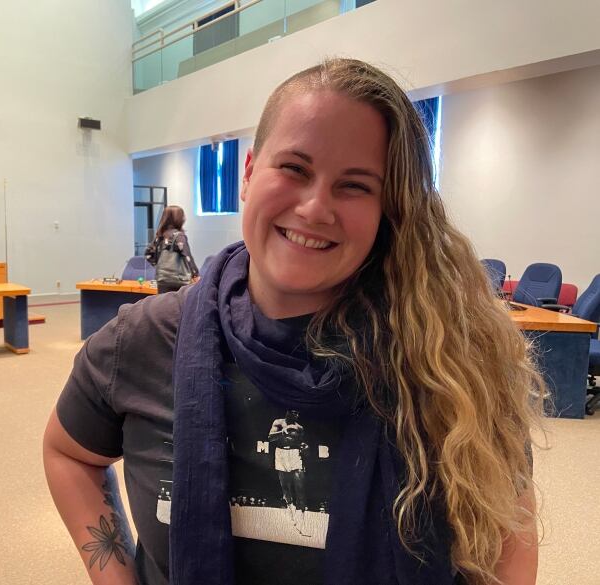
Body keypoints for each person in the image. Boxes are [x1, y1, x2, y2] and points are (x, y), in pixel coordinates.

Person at [44, 58, 543, 585]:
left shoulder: (452, 360)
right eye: (295, 169)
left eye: (354, 186)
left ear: (388, 211)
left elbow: (509, 532)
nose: (314, 207)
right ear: (249, 173)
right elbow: (67, 452)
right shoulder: (142, 341)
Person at [268, 410, 311, 536]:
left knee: (300, 487)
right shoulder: (278, 422)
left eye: (298, 413)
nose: (297, 415)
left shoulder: (299, 427)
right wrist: (282, 432)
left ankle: (302, 524)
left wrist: (305, 447)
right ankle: (290, 510)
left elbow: (302, 443)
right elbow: (270, 437)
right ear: (287, 413)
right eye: (294, 412)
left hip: (294, 454)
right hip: (281, 453)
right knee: (285, 487)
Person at [144, 205, 199, 294]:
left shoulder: (160, 236)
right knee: (179, 306)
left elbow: (148, 254)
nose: (184, 218)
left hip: (162, 279)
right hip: (180, 280)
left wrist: (159, 264)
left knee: (164, 305)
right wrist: (195, 274)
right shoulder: (179, 236)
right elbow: (187, 256)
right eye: (182, 216)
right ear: (178, 219)